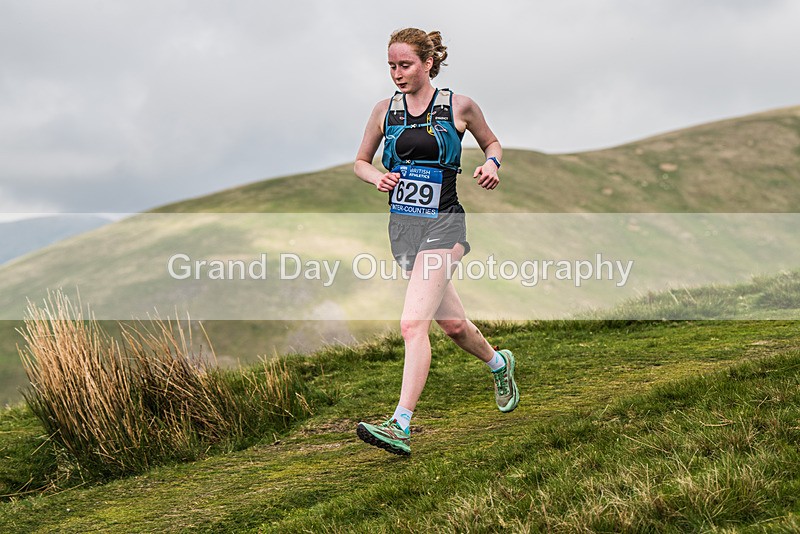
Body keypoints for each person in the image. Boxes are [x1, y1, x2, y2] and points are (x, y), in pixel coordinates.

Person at [353, 28, 519, 456]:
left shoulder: (458, 106)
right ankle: (499, 363)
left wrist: (493, 164)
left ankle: (400, 424)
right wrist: (378, 177)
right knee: (454, 326)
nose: (397, 73)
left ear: (428, 63)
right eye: (391, 66)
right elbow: (360, 162)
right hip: (403, 229)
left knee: (412, 325)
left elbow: (492, 142)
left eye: (405, 65)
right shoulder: (384, 111)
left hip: (445, 225)